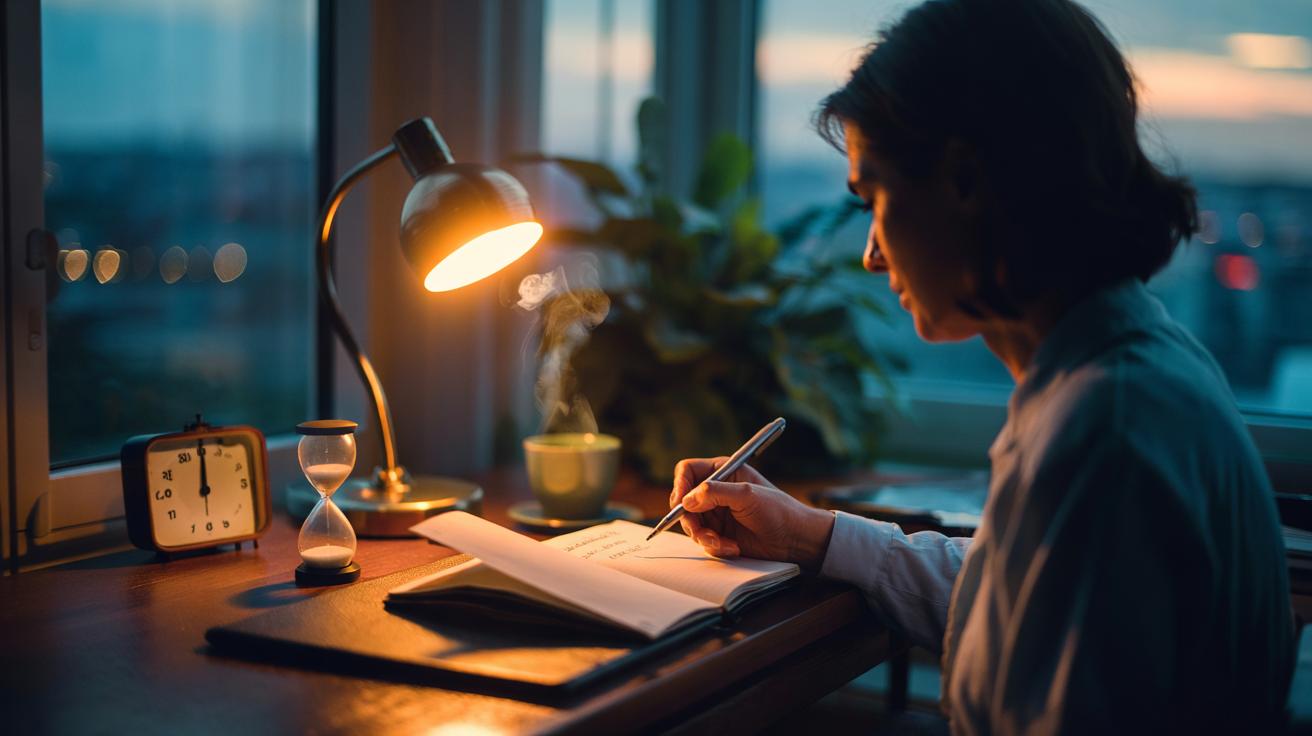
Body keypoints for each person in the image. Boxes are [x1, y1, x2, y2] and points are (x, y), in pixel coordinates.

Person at [668, 0, 1294, 732]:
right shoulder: (1130, 375)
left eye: (875, 199)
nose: (871, 256)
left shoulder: (1107, 434)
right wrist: (810, 535)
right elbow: (1012, 594)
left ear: (964, 182)